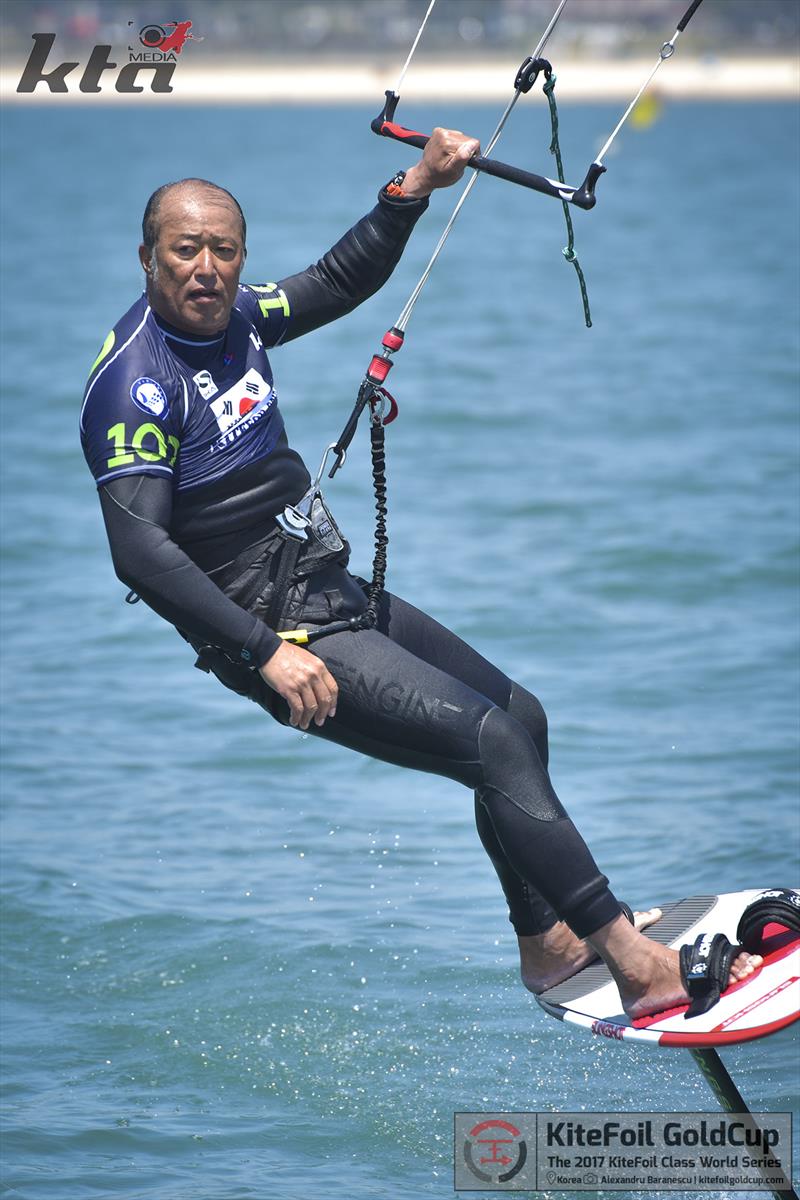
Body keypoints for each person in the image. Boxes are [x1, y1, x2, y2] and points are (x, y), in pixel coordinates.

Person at [80, 129, 760, 1019]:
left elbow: (331, 283)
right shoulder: (134, 383)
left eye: (224, 250)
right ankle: (634, 959)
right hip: (274, 630)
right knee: (495, 748)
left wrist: (416, 186)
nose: (206, 268)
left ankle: (547, 945)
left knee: (522, 716)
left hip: (325, 587)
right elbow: (140, 550)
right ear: (146, 258)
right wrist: (261, 654)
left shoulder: (238, 315)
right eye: (185, 250)